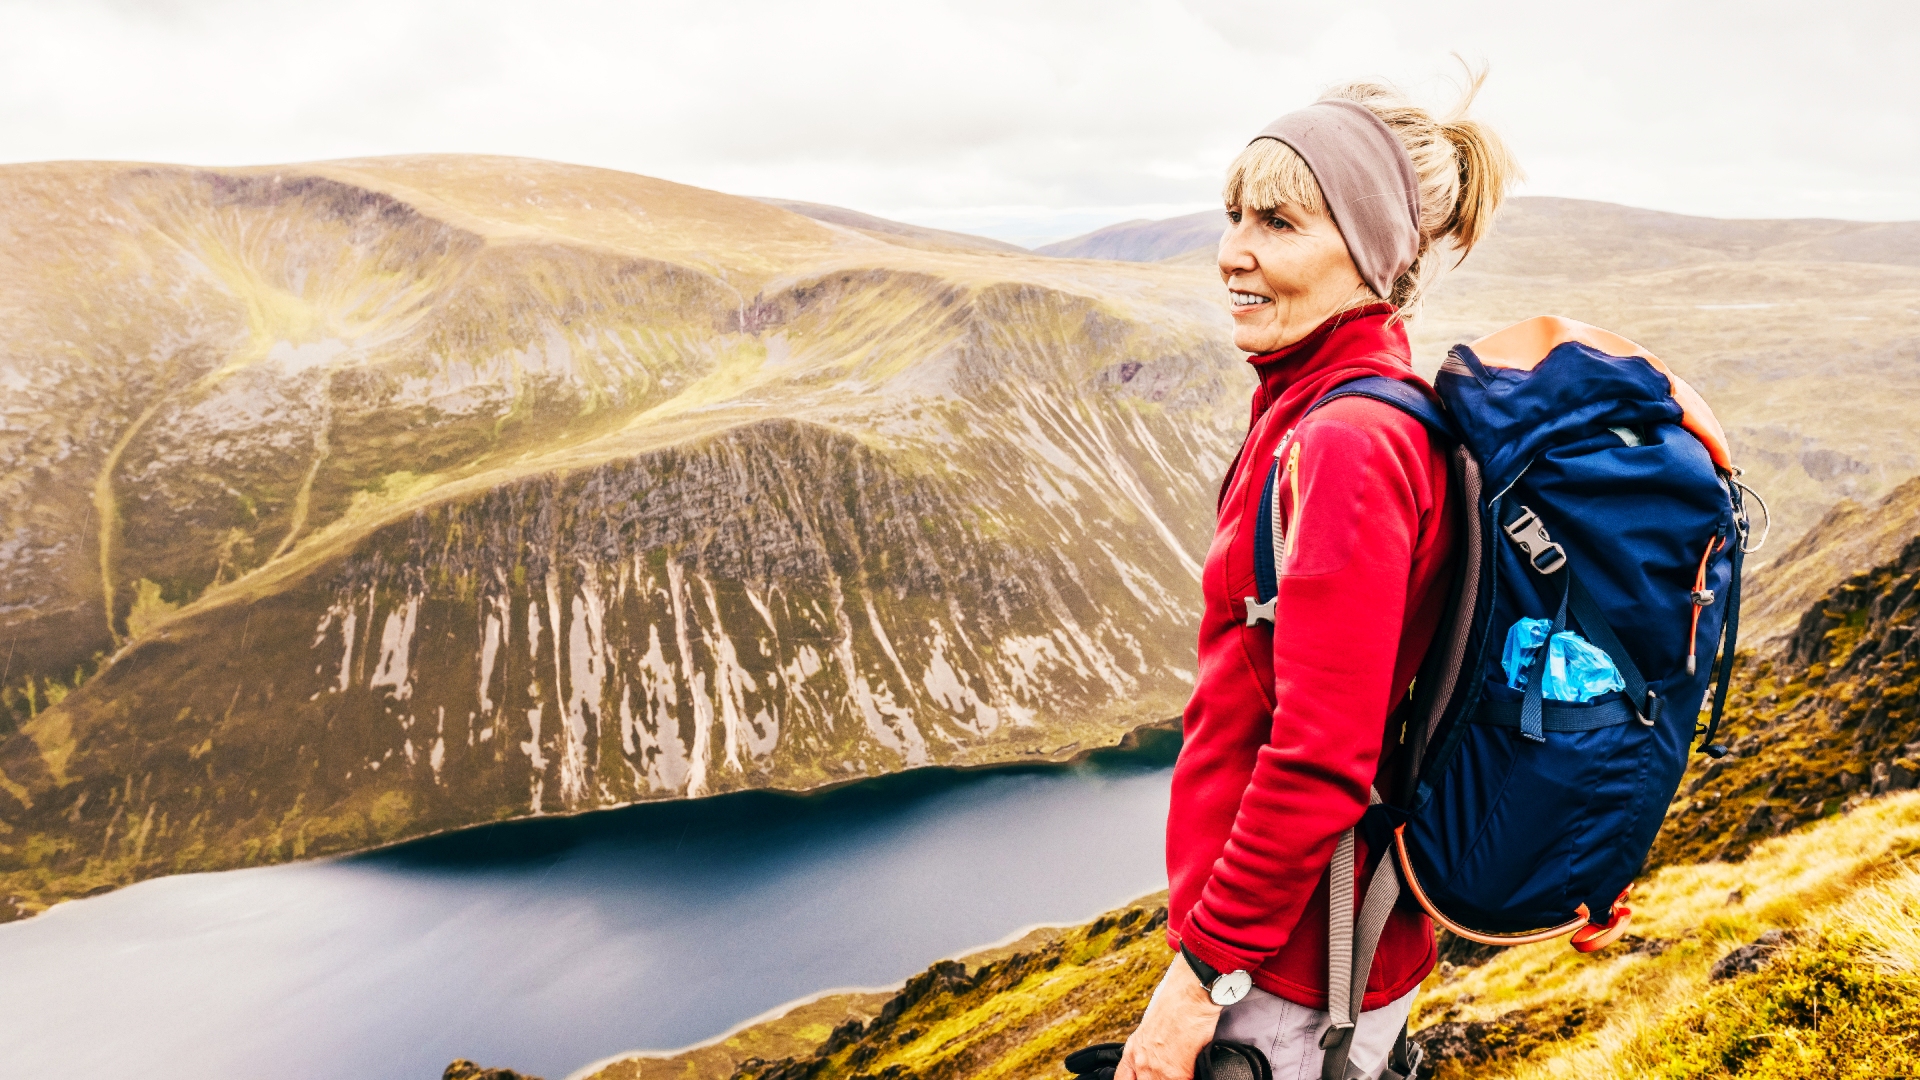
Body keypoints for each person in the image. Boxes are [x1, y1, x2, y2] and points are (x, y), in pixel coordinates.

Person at [1115, 76, 1520, 1080]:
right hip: (1306, 951)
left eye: (1280, 221)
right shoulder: (1325, 412)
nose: (1233, 252)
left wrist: (1194, 988)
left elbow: (1321, 756)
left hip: (1297, 975)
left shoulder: (1346, 441)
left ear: (1372, 254)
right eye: (1234, 215)